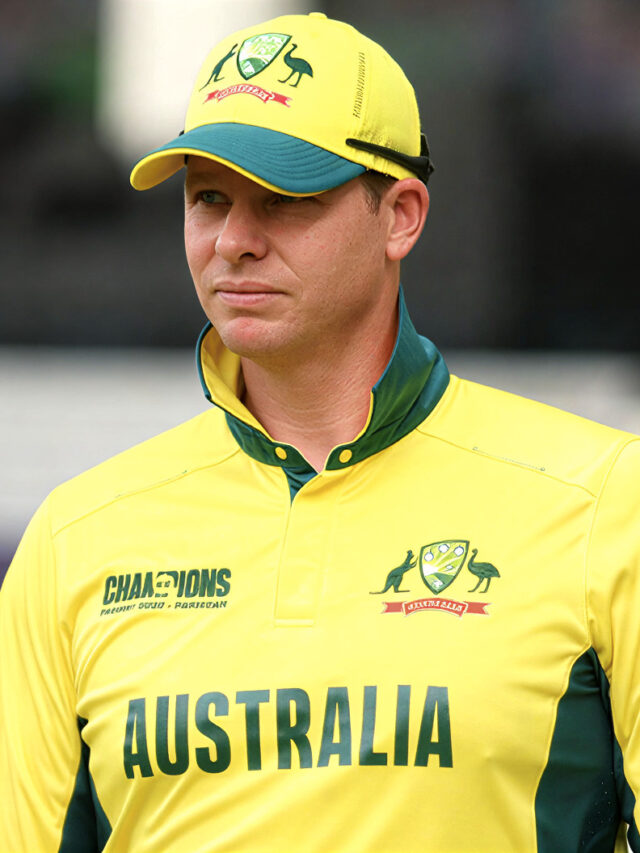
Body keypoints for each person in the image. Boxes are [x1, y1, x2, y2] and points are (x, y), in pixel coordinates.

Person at [1, 11, 639, 853]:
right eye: (209, 198)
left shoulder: (603, 502)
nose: (234, 241)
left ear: (401, 215)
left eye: (284, 198)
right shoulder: (74, 539)